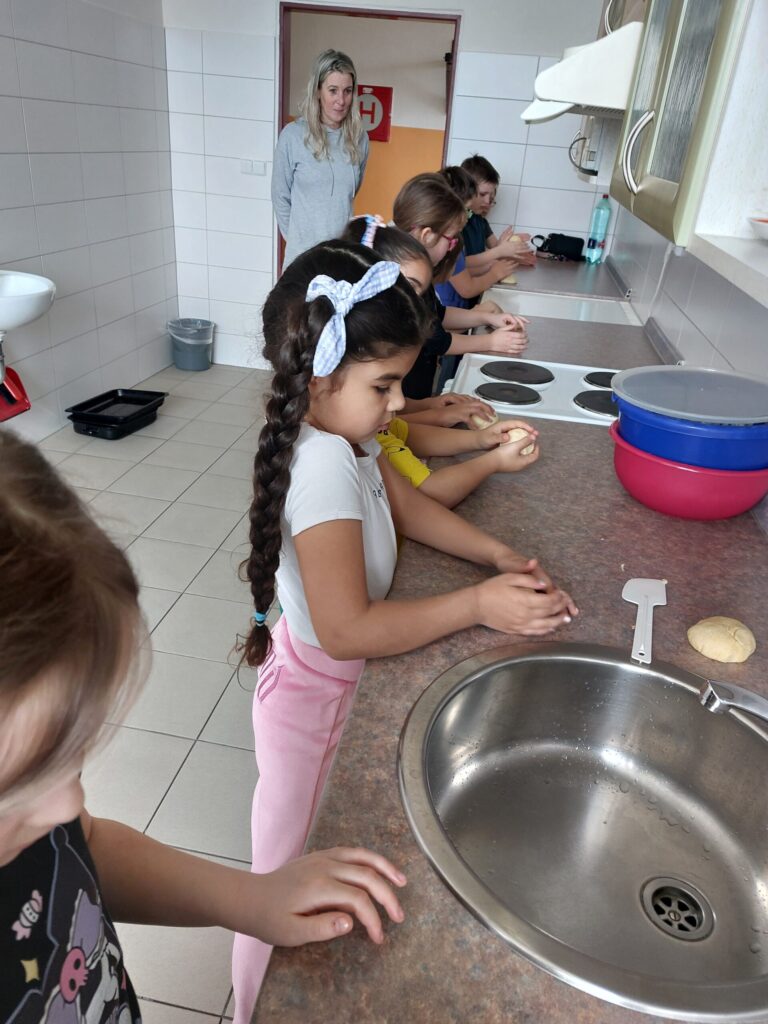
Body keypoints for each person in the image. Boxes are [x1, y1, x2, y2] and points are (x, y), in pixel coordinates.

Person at [232, 238, 578, 1020]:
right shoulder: (320, 463)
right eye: (384, 384)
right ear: (320, 376)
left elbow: (409, 507)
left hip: (331, 688)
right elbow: (347, 628)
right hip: (316, 704)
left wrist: (496, 555)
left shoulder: (347, 437)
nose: (398, 404)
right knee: (279, 889)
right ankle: (252, 1007)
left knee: (300, 878)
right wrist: (477, 605)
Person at [0, 430, 407, 1023]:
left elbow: (83, 847)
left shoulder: (39, 819)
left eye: (71, 761)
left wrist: (250, 898)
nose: (68, 804)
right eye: (20, 782)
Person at [390, 173, 530, 398]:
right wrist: (491, 341)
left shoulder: (418, 274)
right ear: (427, 236)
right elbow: (438, 341)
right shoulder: (405, 282)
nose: (453, 248)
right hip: (405, 392)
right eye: (451, 239)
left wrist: (486, 318)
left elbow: (439, 314)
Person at [272, 49, 369, 266]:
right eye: (333, 90)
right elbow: (280, 197)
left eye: (347, 91)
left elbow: (349, 193)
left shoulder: (360, 139)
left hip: (340, 257)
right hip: (301, 258)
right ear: (318, 91)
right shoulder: (293, 136)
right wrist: (298, 242)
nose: (341, 100)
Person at [436, 165, 519, 309]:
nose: (467, 218)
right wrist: (494, 273)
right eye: (466, 211)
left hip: (456, 312)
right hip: (449, 309)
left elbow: (460, 271)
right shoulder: (448, 243)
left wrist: (489, 266)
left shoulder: (454, 238)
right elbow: (466, 288)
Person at [460, 154, 537, 276]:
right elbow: (460, 263)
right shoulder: (457, 223)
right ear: (466, 190)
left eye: (491, 197)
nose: (487, 201)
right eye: (482, 194)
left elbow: (496, 247)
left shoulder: (480, 221)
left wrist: (516, 252)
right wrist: (500, 250)